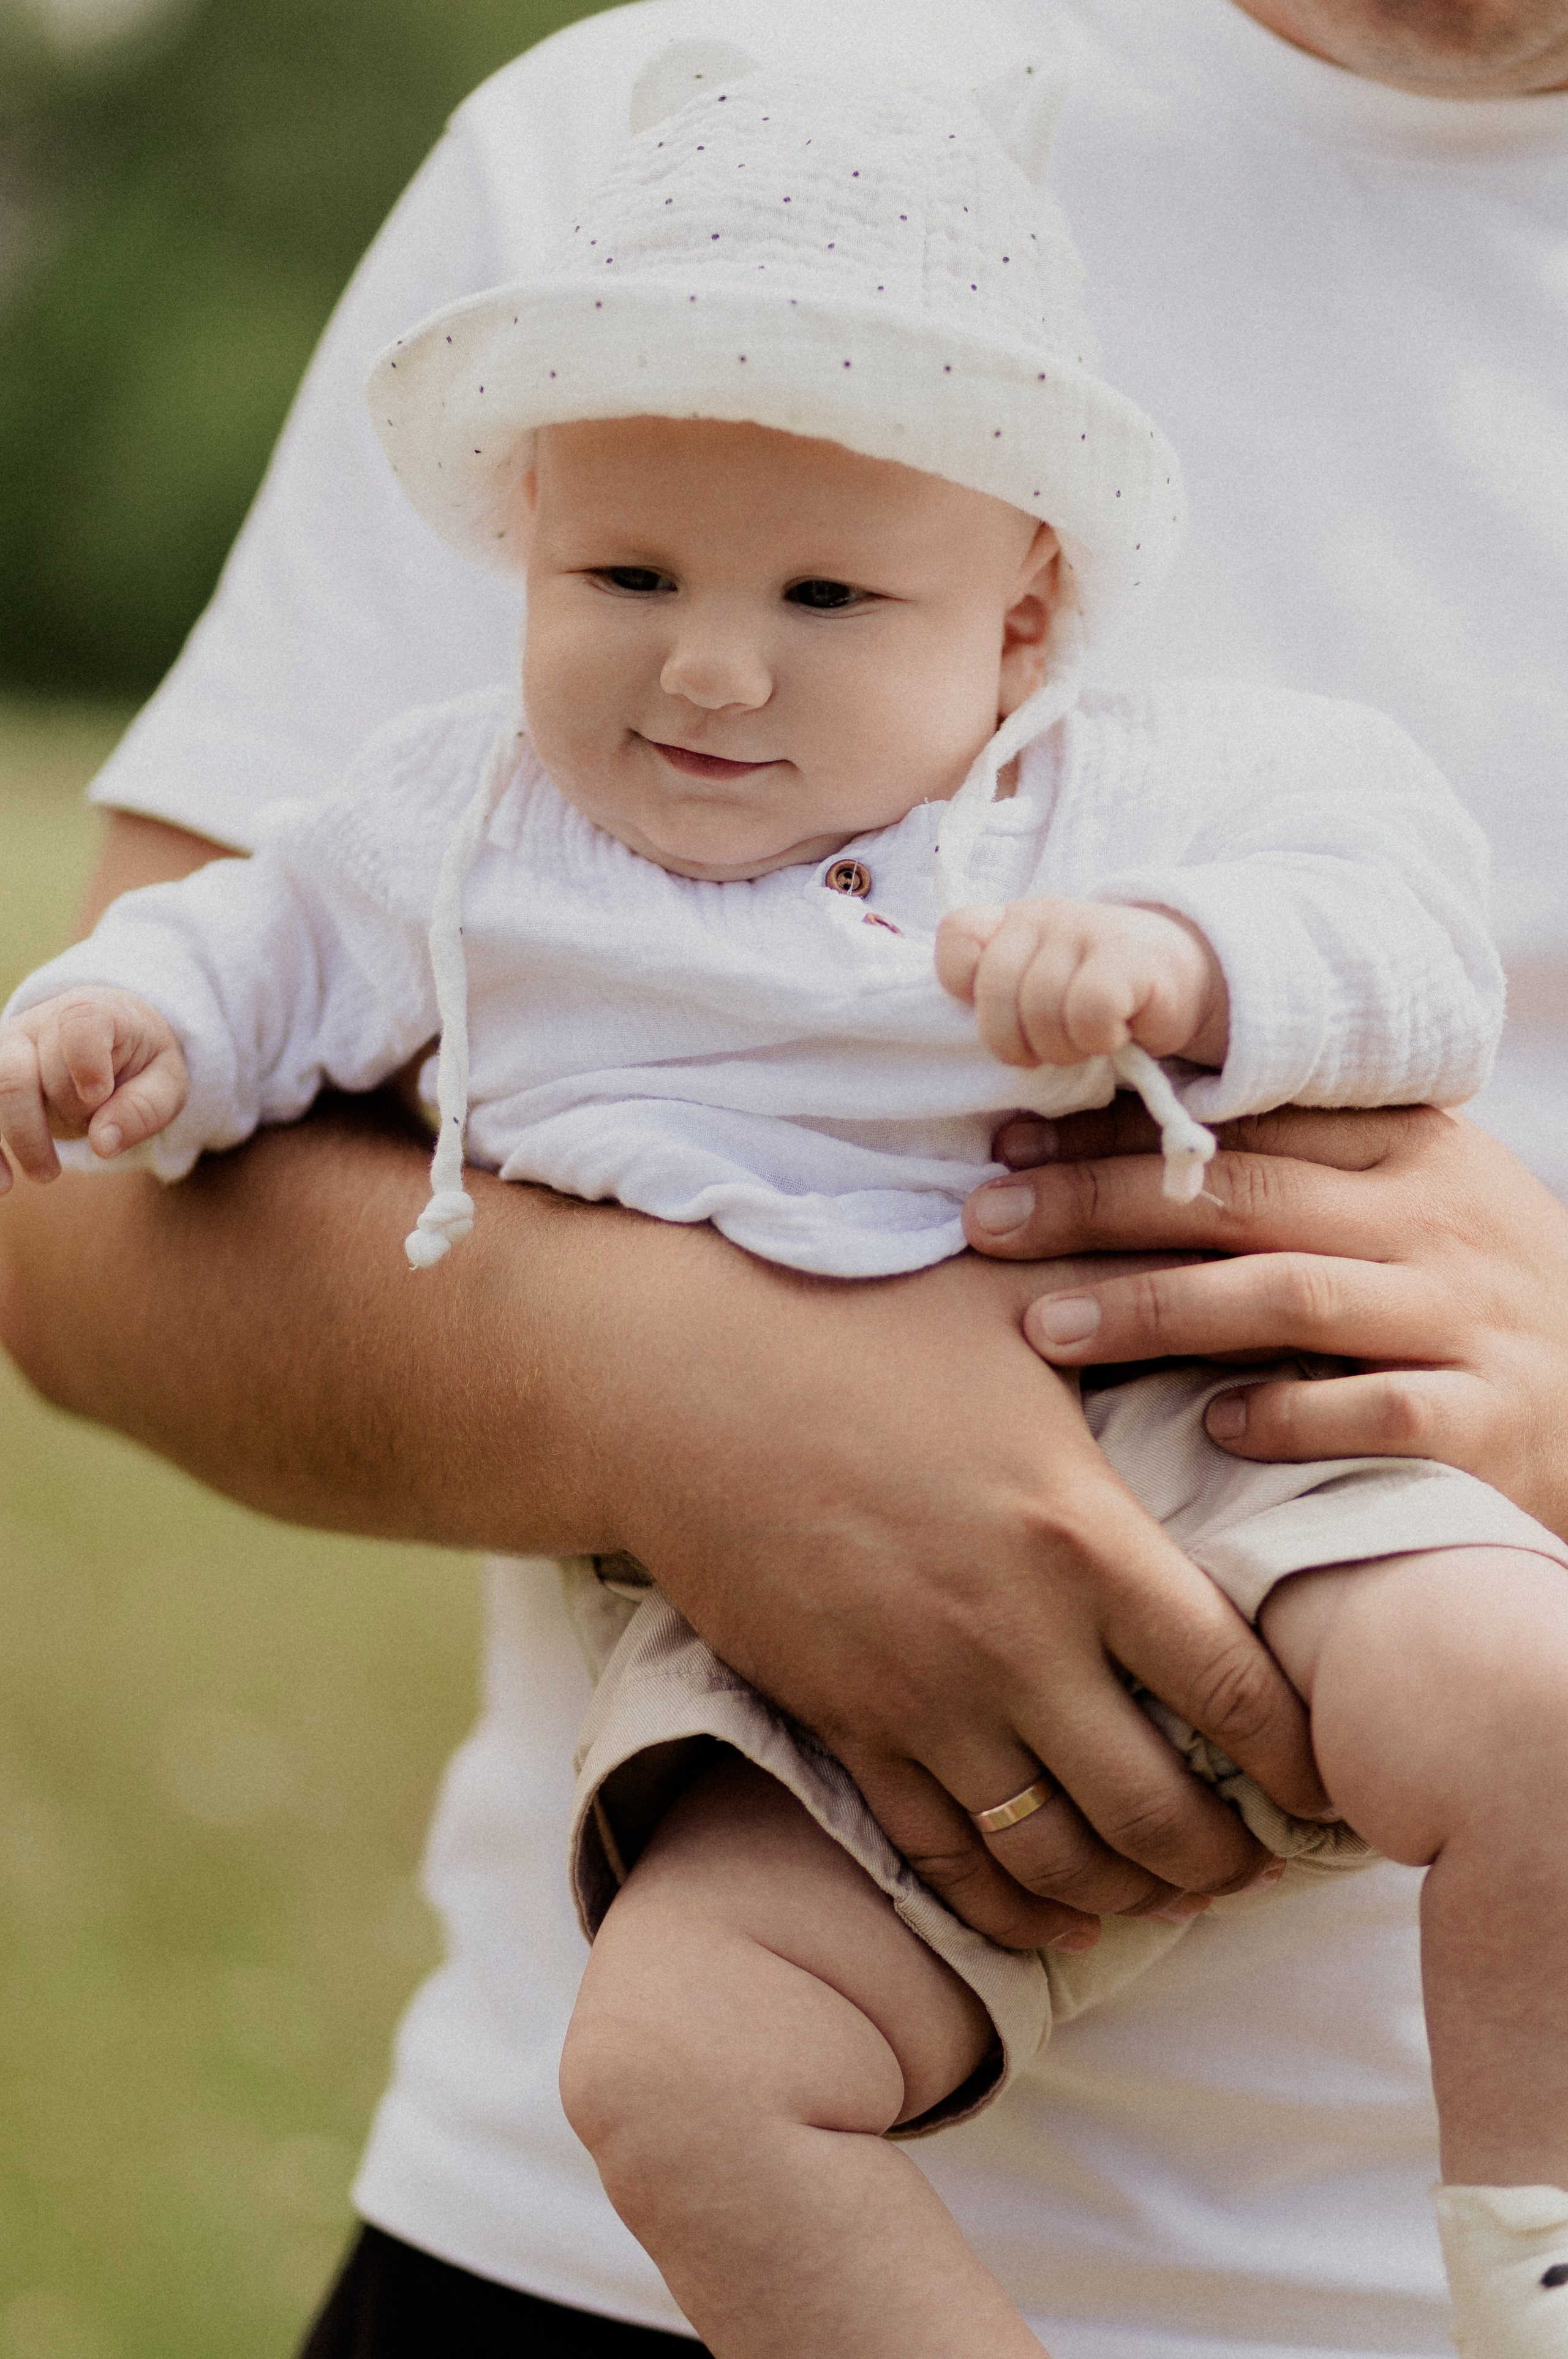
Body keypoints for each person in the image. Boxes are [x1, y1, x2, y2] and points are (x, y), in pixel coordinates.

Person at [0, 2, 1565, 2353]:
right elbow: (194, 1040)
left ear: (1025, 615)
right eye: (627, 581)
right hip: (661, 2037)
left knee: (1531, 1708)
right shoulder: (661, 176)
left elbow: (1379, 934)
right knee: (680, 2067)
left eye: (826, 604)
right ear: (530, 535)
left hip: (1254, 1467)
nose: (712, 674)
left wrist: (1174, 964)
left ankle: (1529, 2243)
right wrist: (139, 1035)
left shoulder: (1113, 787)